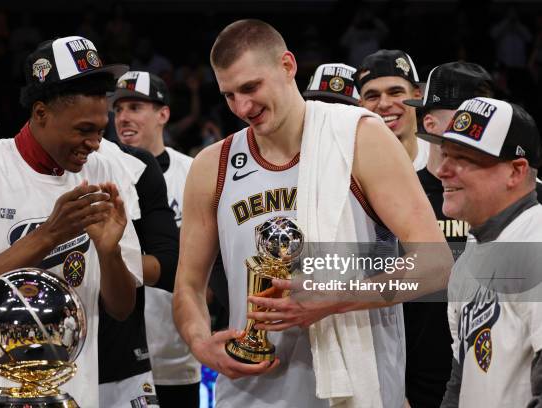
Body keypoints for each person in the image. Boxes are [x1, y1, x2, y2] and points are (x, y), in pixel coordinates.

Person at [173, 19, 450, 408]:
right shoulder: (211, 165)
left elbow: (436, 264)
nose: (242, 107)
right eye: (229, 95)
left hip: (356, 389)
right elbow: (187, 286)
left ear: (287, 66)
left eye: (251, 88)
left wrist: (333, 299)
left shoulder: (360, 138)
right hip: (250, 392)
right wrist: (201, 343)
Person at [0, 35, 143, 407]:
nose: (94, 143)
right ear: (41, 113)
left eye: (100, 130)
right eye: (82, 130)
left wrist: (109, 254)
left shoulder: (106, 170)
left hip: (69, 395)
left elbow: (121, 308)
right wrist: (47, 236)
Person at [416, 97, 542, 407]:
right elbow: (460, 379)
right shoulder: (469, 257)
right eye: (445, 155)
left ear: (515, 171)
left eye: (463, 158)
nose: (443, 170)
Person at [400, 62, 496, 407]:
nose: (484, 126)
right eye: (469, 114)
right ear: (429, 123)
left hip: (501, 378)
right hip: (416, 383)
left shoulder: (525, 198)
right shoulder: (396, 196)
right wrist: (393, 387)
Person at [112, 71, 200, 407]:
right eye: (118, 110)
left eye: (134, 107)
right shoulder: (101, 169)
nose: (123, 118)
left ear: (163, 114)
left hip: (177, 351)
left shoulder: (193, 172)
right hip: (115, 352)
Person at [355, 49, 429, 170]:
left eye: (395, 92)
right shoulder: (346, 170)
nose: (384, 104)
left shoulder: (442, 160)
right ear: (361, 105)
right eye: (372, 96)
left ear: (417, 96)